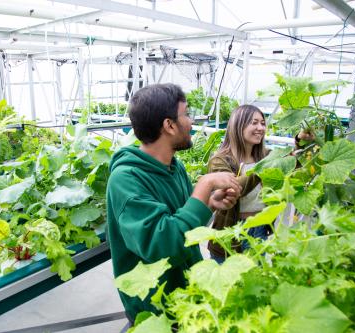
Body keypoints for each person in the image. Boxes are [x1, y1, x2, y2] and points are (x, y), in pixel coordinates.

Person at [106, 83, 241, 326]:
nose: (191, 122)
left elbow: (182, 225)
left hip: (187, 293)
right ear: (169, 125)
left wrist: (208, 204)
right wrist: (203, 186)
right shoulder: (125, 179)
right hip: (155, 307)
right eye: (186, 114)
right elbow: (162, 244)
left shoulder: (174, 167)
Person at [207, 105, 270, 263]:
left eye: (263, 123)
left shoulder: (265, 156)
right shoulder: (220, 160)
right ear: (238, 125)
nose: (260, 128)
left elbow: (293, 163)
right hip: (230, 231)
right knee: (228, 284)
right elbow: (230, 190)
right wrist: (264, 167)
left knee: (254, 283)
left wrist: (300, 143)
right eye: (254, 123)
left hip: (260, 228)